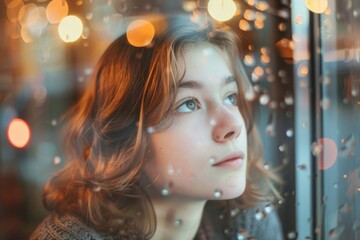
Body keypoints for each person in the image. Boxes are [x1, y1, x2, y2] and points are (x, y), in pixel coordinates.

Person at [30, 15, 283, 240]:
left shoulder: (249, 223)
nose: (233, 125)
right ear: (126, 137)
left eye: (231, 97)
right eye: (188, 104)